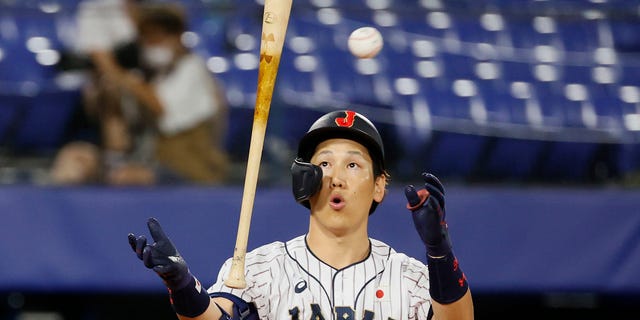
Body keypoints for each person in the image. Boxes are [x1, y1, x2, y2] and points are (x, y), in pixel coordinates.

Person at [128, 110, 474, 319]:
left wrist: (440, 254)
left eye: (353, 164)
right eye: (324, 164)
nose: (336, 177)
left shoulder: (411, 277)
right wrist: (184, 286)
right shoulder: (261, 267)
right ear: (305, 179)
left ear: (380, 186)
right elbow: (215, 317)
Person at [90, 2, 230, 184]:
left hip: (194, 167)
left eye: (159, 37)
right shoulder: (155, 78)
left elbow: (160, 107)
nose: (152, 44)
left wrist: (119, 75)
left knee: (127, 178)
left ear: (177, 37)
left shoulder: (192, 68)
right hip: (162, 162)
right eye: (147, 38)